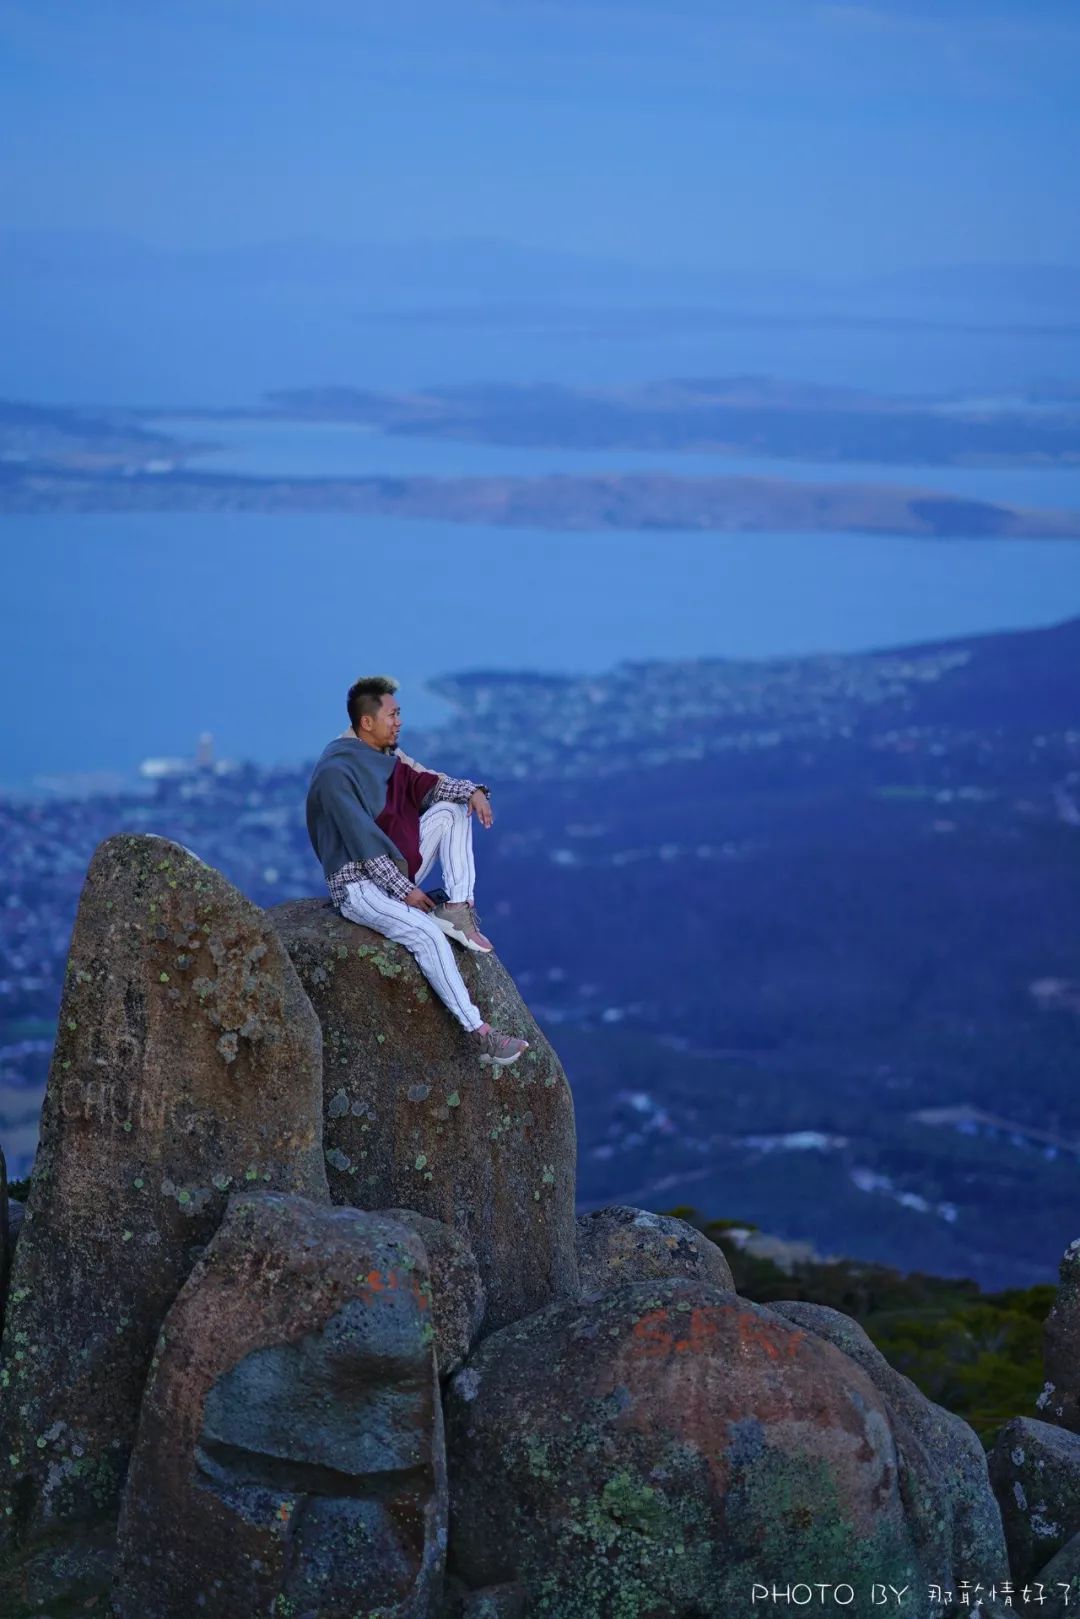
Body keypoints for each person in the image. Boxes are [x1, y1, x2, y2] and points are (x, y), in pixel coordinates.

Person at [305, 674, 530, 1066]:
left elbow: (426, 784)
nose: (399, 722)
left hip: (390, 868)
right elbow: (363, 845)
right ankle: (481, 1035)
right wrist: (405, 892)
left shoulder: (385, 757)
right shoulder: (336, 774)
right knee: (426, 935)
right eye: (392, 715)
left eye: (399, 714)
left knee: (451, 811)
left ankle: (458, 909)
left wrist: (472, 792)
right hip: (358, 885)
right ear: (366, 722)